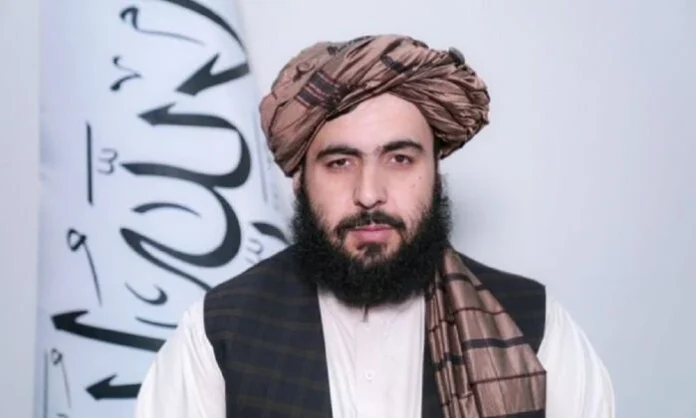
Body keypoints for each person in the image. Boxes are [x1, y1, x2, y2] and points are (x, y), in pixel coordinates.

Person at [134, 34, 615, 418]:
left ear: (435, 172)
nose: (369, 193)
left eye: (400, 159)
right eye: (340, 162)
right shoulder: (218, 331)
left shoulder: (534, 325)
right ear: (300, 180)